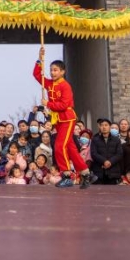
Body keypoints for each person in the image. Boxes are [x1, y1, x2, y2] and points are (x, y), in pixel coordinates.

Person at [33, 48, 95, 188]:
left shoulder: (65, 86)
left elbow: (64, 104)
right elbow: (37, 75)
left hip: (67, 118)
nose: (52, 72)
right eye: (51, 69)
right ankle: (86, 172)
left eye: (55, 70)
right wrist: (39, 59)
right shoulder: (50, 84)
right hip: (59, 120)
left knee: (59, 146)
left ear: (62, 72)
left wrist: (48, 104)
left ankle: (67, 174)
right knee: (71, 148)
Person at [90, 118, 123, 185]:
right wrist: (104, 161)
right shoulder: (95, 139)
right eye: (102, 125)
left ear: (110, 127)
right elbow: (94, 153)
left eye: (106, 125)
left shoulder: (116, 140)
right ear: (100, 127)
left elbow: (119, 154)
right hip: (99, 171)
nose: (104, 127)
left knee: (112, 193)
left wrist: (110, 162)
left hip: (113, 171)